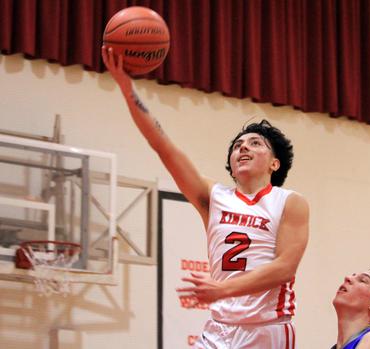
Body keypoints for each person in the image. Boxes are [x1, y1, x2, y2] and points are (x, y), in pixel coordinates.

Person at [102, 46, 309, 349]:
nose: (243, 148)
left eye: (255, 143)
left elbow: (284, 268)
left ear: (274, 163)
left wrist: (224, 290)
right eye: (238, 145)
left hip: (266, 329)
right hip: (219, 328)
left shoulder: (290, 201)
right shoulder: (213, 196)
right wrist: (127, 89)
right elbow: (162, 144)